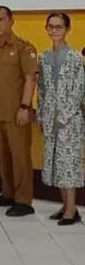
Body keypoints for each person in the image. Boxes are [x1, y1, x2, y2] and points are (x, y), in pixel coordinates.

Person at [0, 5, 38, 217]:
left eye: (1, 19)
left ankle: (23, 201)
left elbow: (30, 79)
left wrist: (25, 106)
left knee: (20, 158)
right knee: (2, 156)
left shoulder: (24, 47)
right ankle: (8, 193)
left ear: (11, 21)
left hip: (16, 113)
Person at [37, 12, 84, 226]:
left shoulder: (76, 58)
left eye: (59, 27)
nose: (54, 30)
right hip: (50, 118)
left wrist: (64, 116)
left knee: (68, 164)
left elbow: (79, 90)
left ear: (67, 29)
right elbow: (42, 89)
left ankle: (72, 210)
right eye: (51, 26)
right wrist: (42, 114)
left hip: (69, 121)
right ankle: (65, 205)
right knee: (55, 163)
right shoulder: (43, 57)